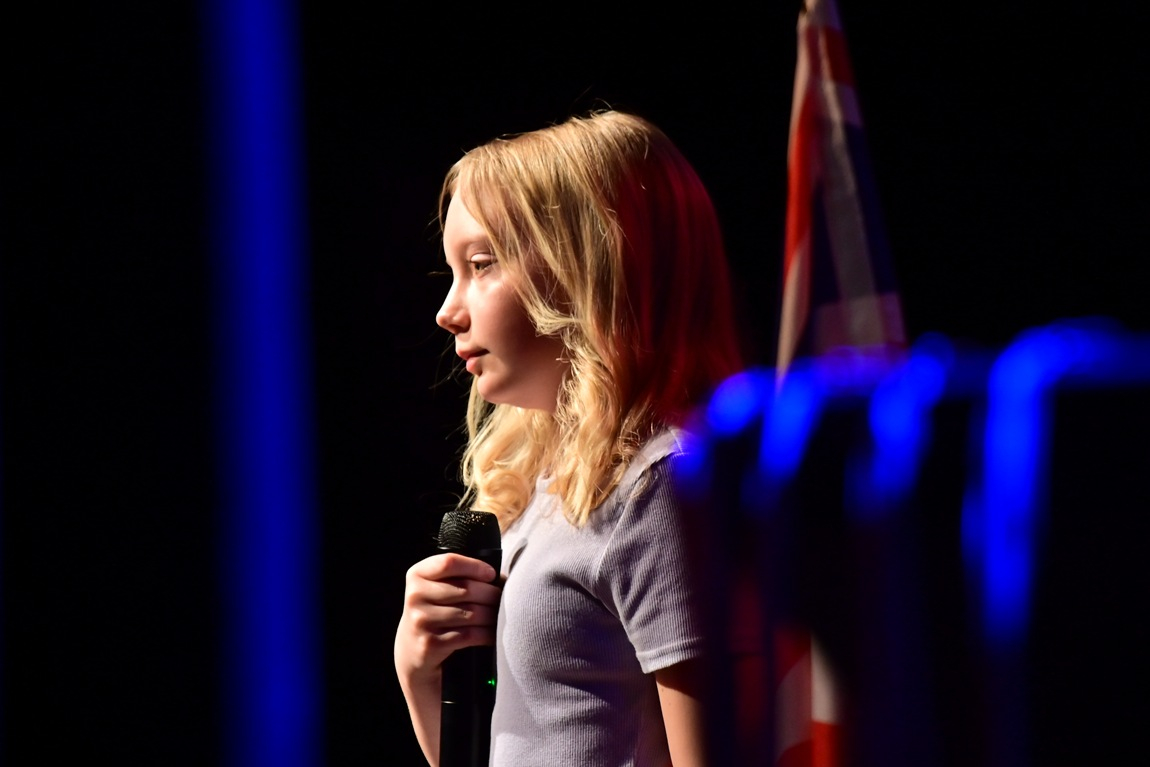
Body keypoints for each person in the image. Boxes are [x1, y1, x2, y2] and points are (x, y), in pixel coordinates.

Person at [394, 110, 744, 766]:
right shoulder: (540, 493)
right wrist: (423, 681)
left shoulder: (658, 486)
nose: (447, 311)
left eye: (481, 263)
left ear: (588, 267)